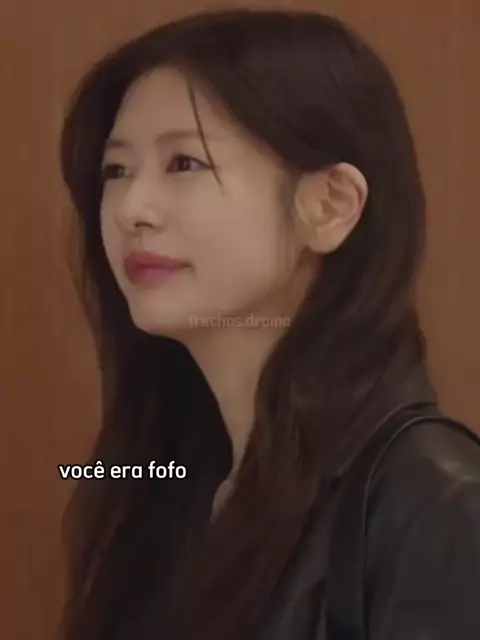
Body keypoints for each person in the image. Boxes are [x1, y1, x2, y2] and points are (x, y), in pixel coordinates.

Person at [58, 7, 480, 640]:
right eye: (116, 171)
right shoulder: (160, 474)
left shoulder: (436, 503)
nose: (130, 209)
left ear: (330, 205)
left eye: (184, 163)